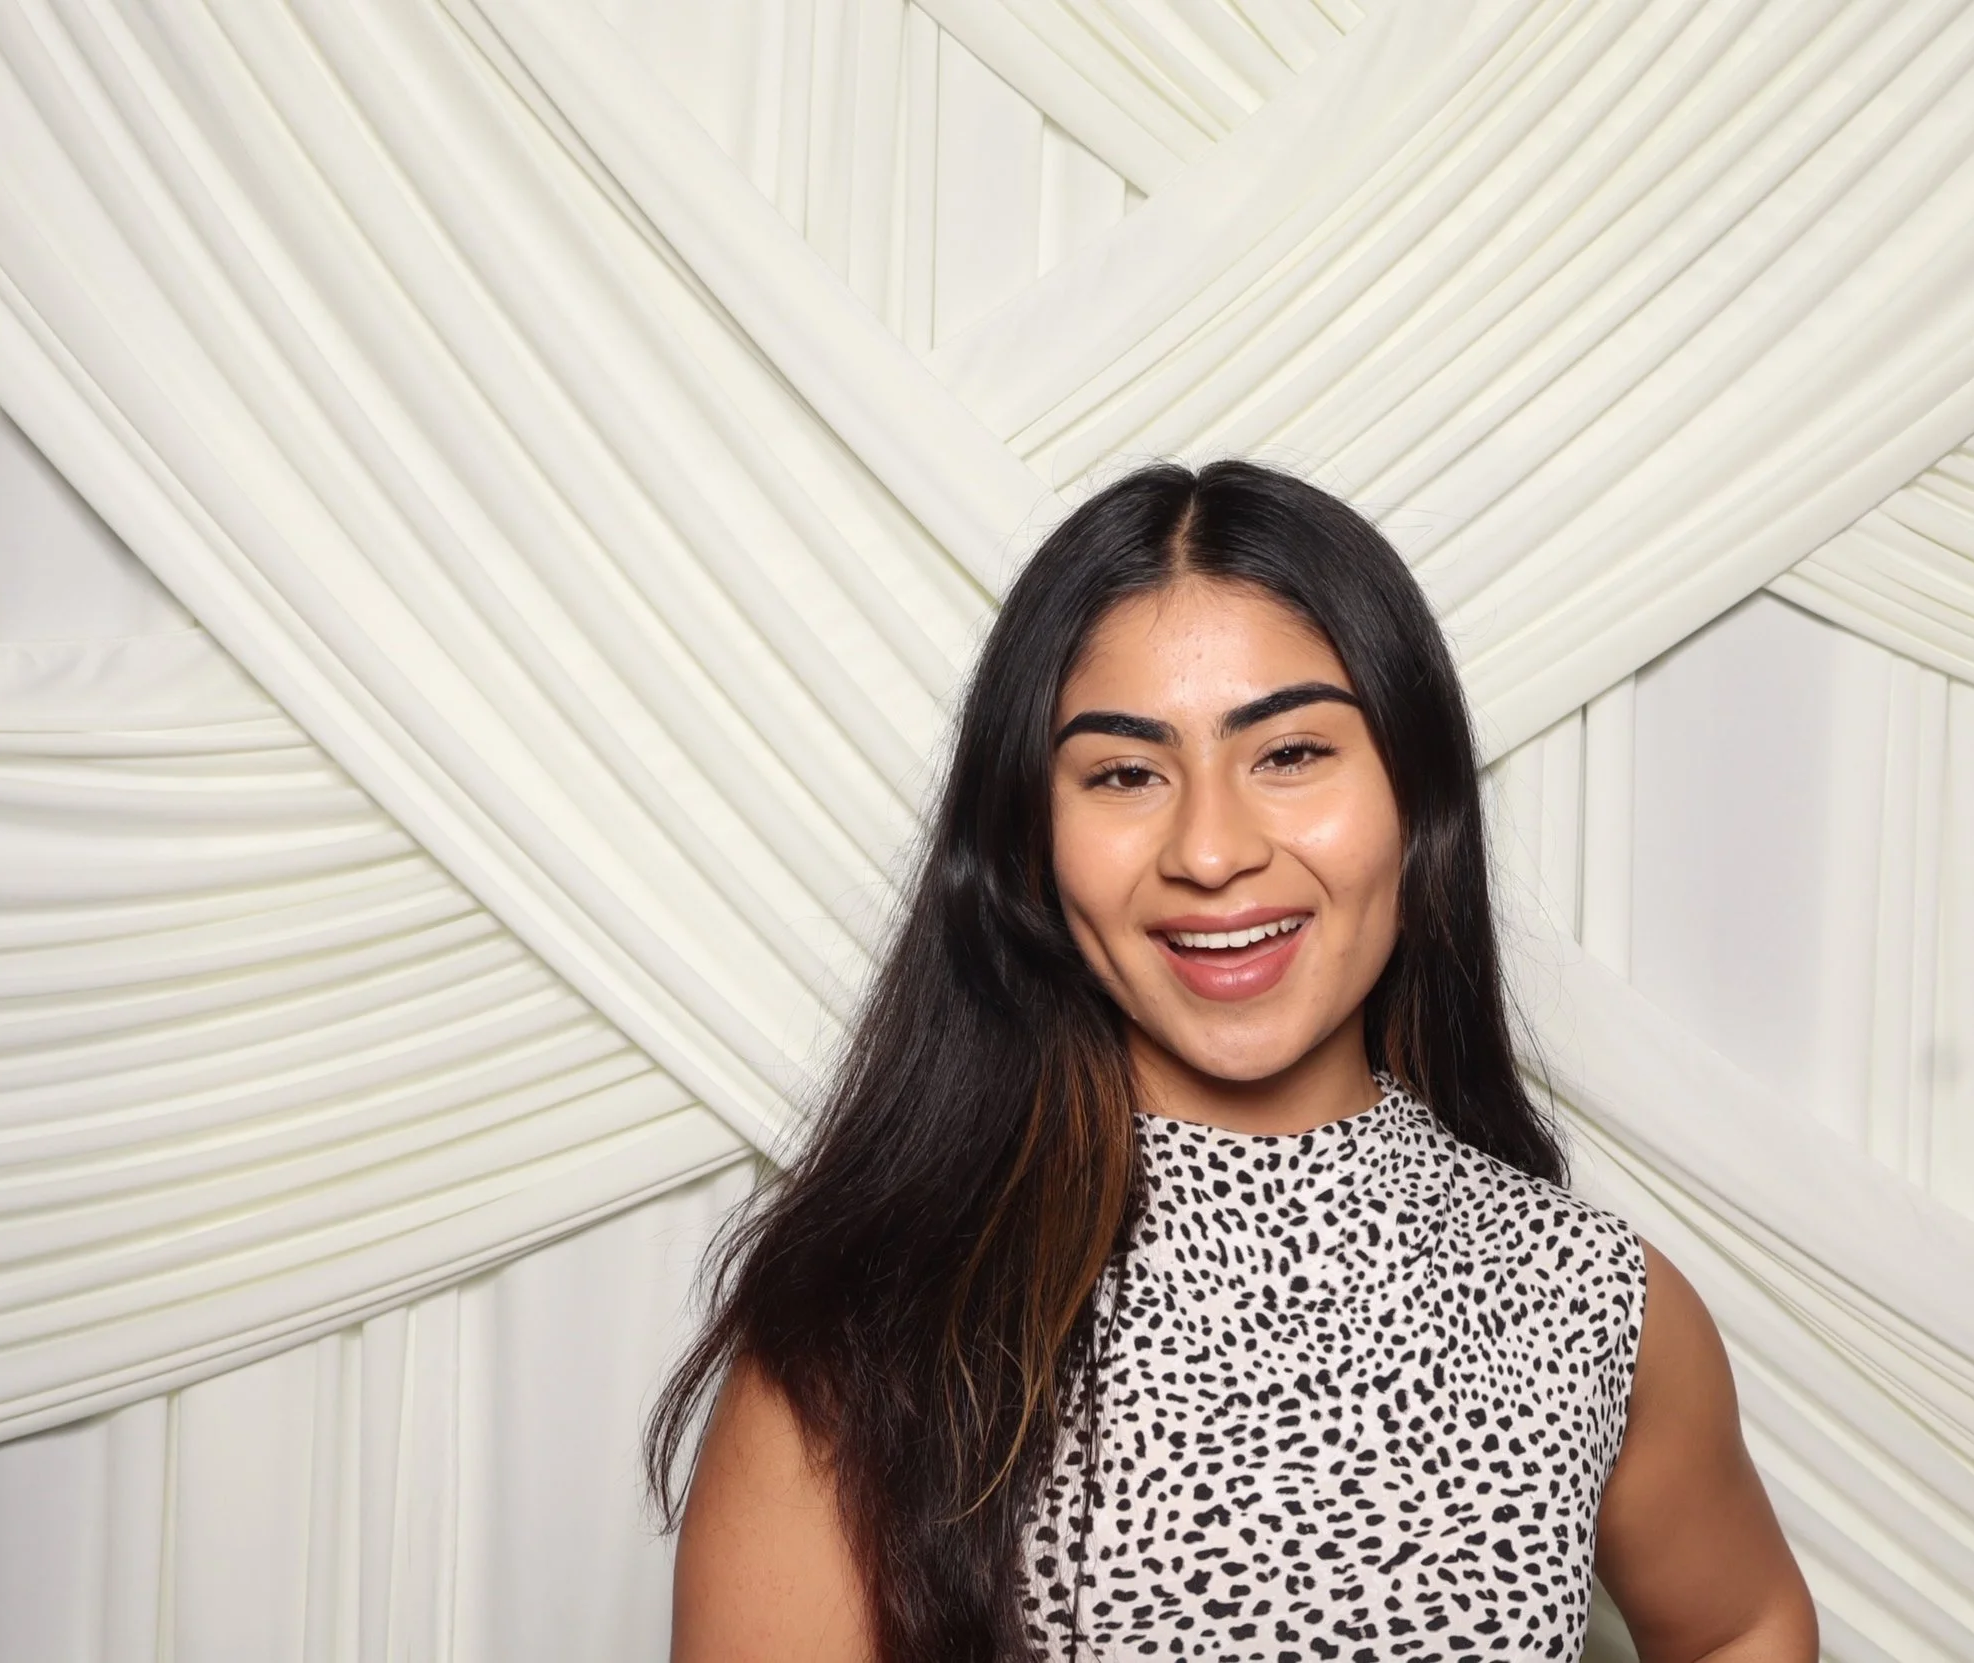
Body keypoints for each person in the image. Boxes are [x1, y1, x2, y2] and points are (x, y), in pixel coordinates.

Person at [651, 461, 1818, 1662]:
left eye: (1290, 754)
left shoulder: (1582, 1296)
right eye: (1124, 773)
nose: (1209, 852)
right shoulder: (875, 1330)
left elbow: (1742, 1623)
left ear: (1414, 796)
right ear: (1030, 843)